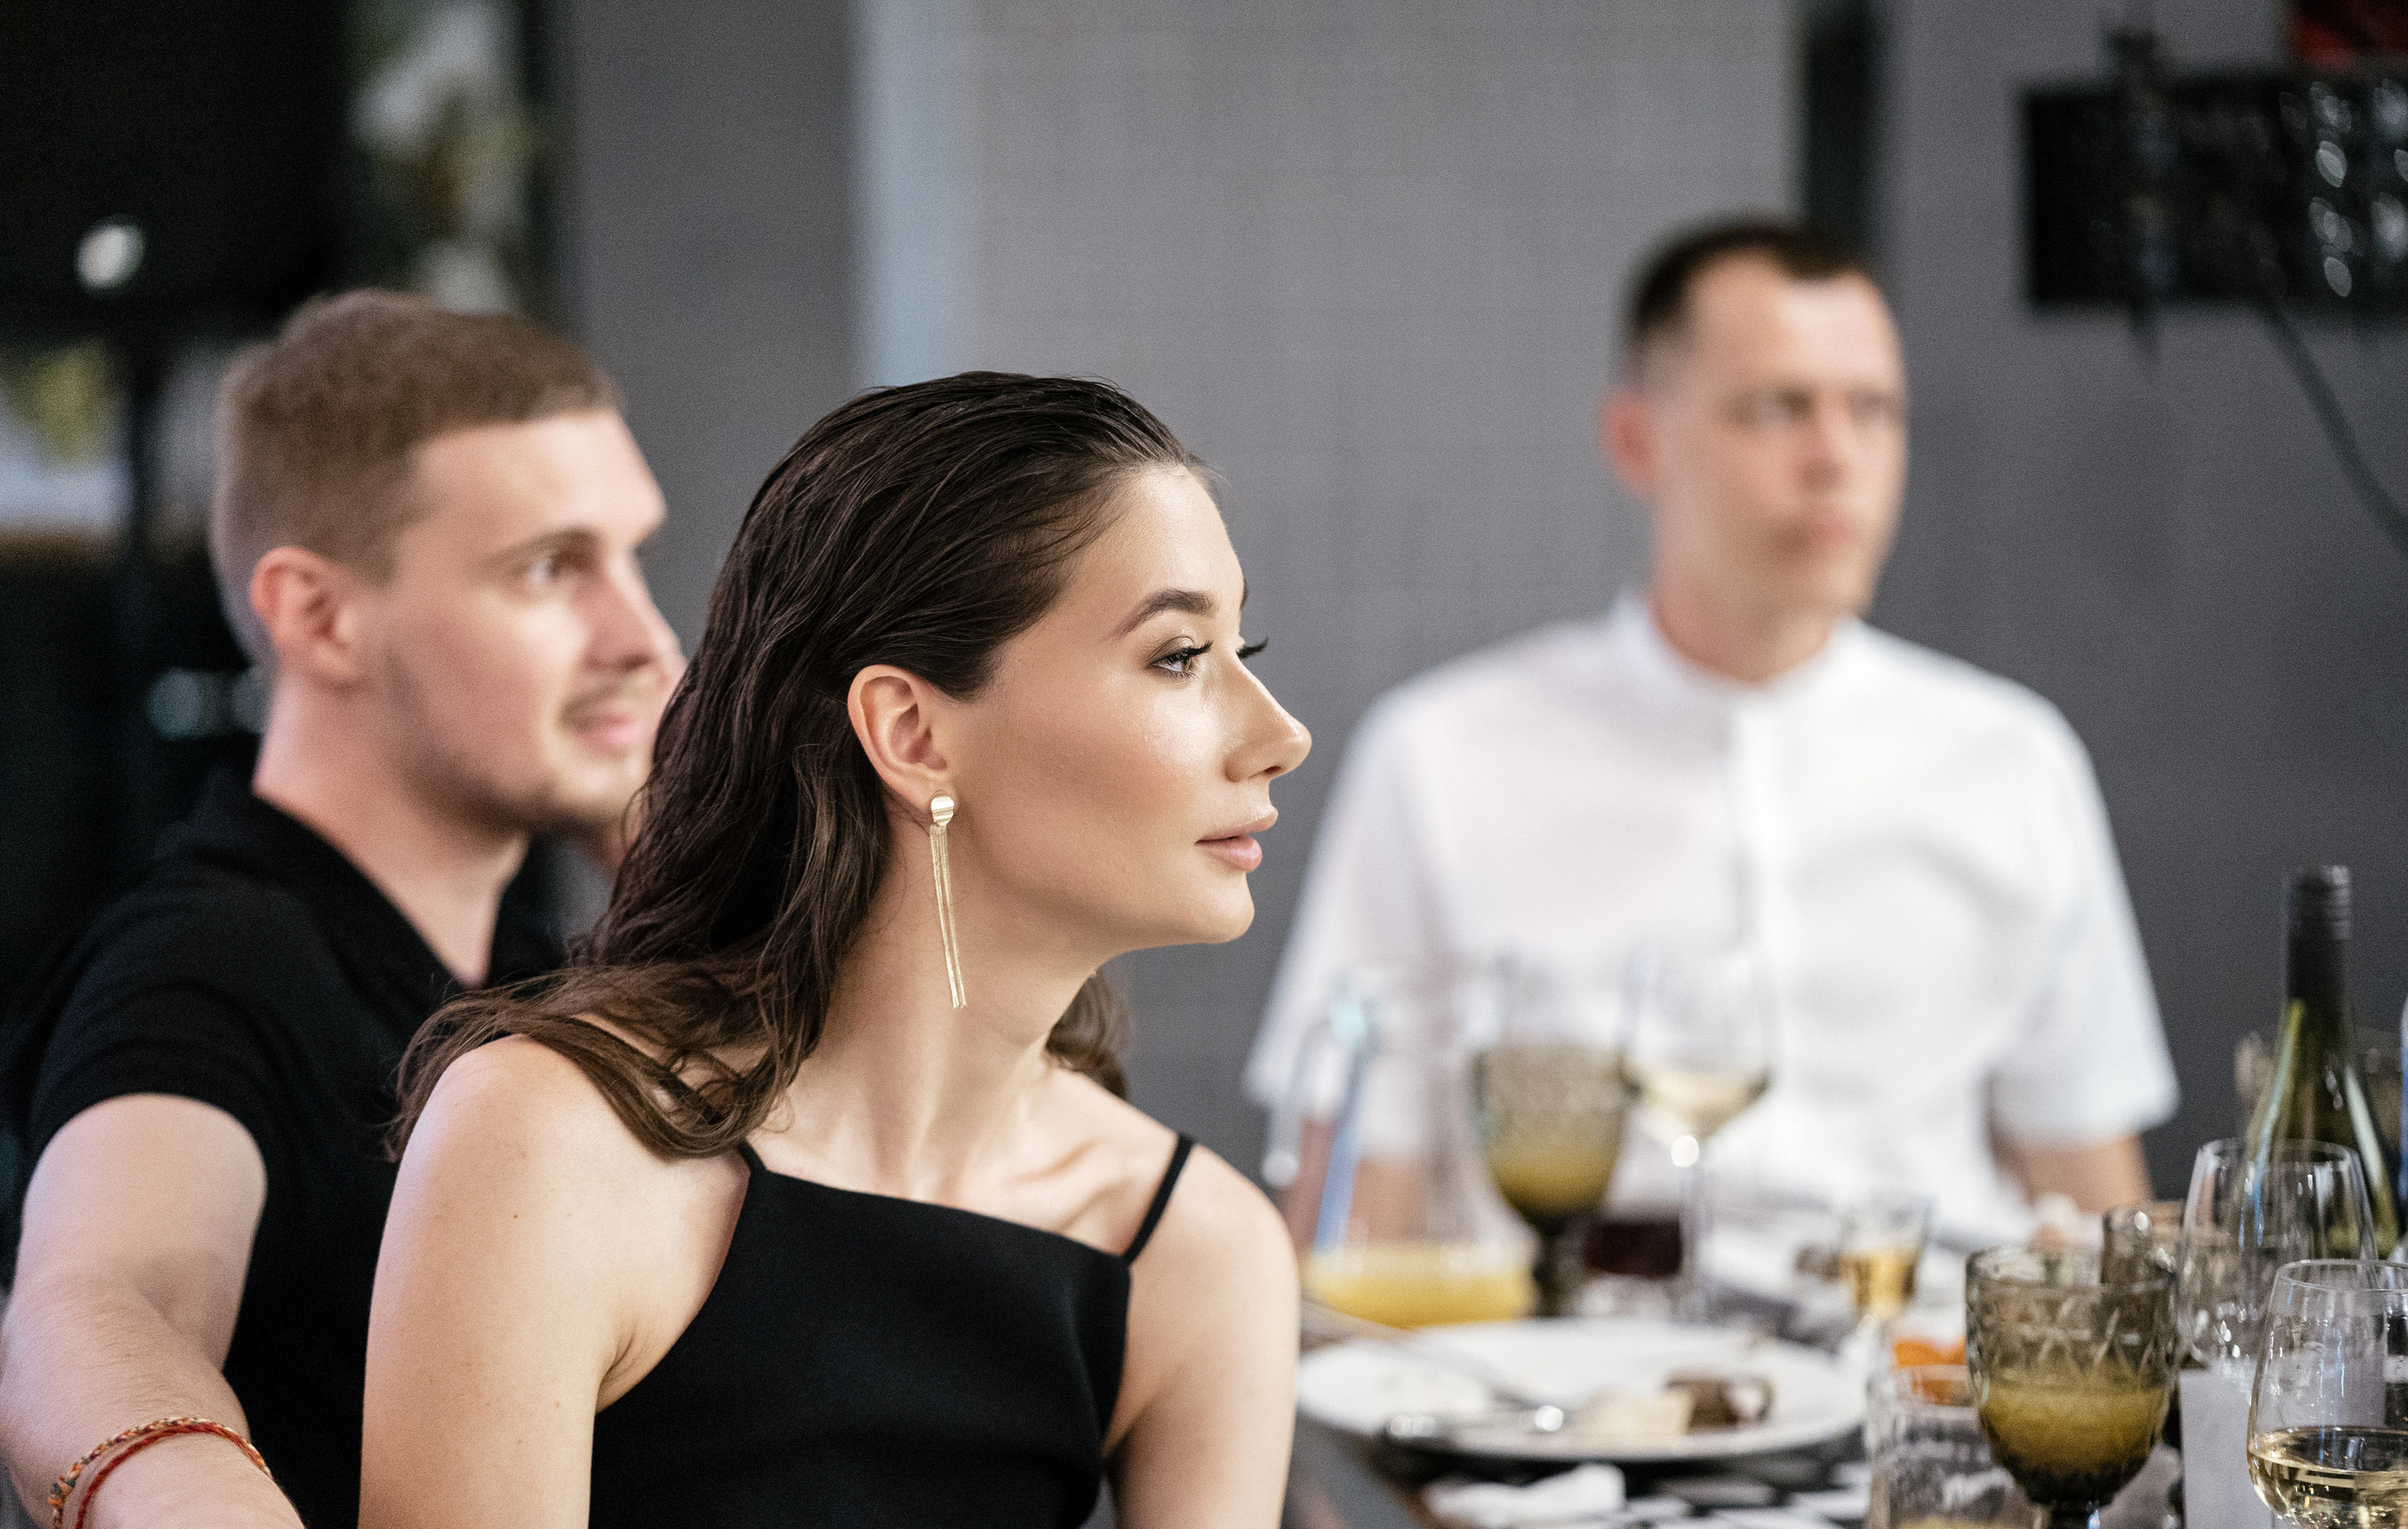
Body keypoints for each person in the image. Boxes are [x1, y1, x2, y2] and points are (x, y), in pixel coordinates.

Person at [360, 373, 1310, 1529]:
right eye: (1179, 655)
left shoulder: (1199, 1253)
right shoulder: (549, 1147)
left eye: (1244, 646)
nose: (1281, 734)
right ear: (911, 733)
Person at [1247, 219, 2177, 1243]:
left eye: (1872, 410)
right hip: (1572, 1331)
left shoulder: (2012, 762)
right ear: (1635, 440)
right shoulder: (1443, 756)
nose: (1836, 458)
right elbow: (1347, 1216)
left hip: (1927, 1327)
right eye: (1776, 407)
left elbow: (2099, 1210)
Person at [0, 292, 680, 1529]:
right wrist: (181, 1482)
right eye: (548, 569)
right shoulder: (208, 962)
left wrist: (673, 850)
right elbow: (110, 1294)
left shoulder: (522, 972)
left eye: (632, 558)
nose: (640, 638)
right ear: (319, 616)